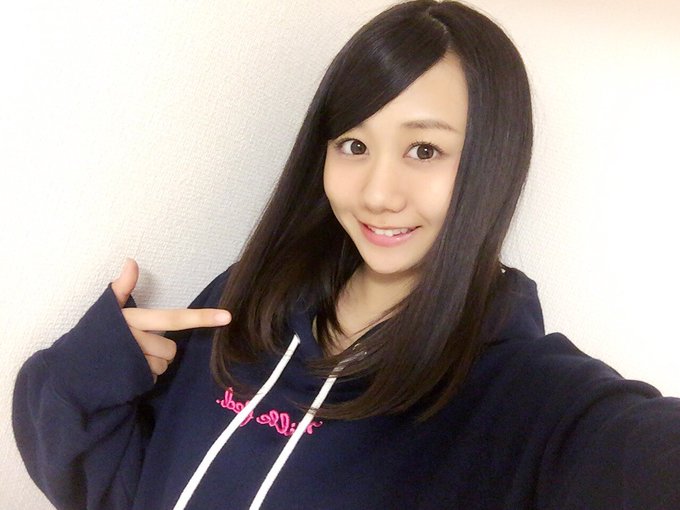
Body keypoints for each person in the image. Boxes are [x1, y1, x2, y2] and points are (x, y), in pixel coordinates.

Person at [12, 1, 680, 509]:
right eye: (354, 145)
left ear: (492, 163)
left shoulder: (519, 396)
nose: (378, 193)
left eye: (425, 149)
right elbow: (126, 486)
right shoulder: (248, 301)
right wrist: (88, 375)